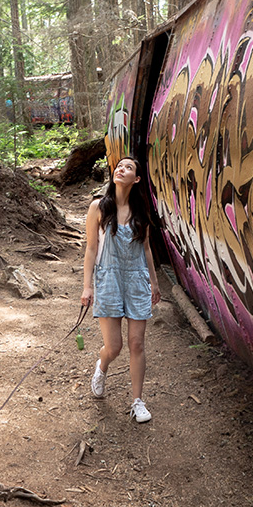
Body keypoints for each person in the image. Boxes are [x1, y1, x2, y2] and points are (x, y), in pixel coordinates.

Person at [81, 156, 161, 422]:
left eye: (128, 168)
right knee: (113, 347)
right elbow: (91, 248)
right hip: (109, 280)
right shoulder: (98, 208)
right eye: (119, 166)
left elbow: (146, 248)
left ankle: (138, 401)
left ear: (136, 179)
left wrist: (154, 282)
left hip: (137, 281)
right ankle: (101, 366)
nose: (121, 169)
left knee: (137, 343)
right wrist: (87, 286)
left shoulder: (141, 211)